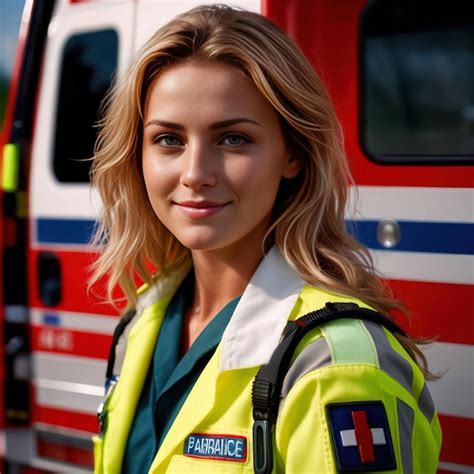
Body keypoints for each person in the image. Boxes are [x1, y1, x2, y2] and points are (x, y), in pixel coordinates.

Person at [89, 4, 441, 473]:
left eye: (233, 139)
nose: (195, 174)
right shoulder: (142, 323)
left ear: (292, 154)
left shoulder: (339, 367)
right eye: (169, 140)